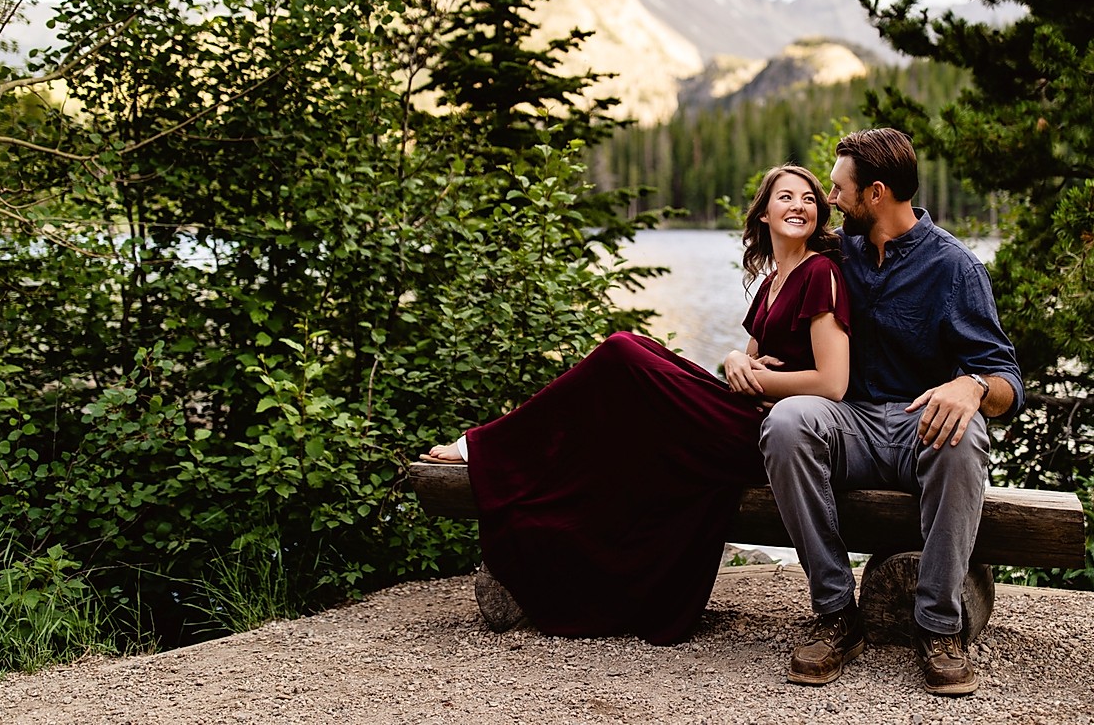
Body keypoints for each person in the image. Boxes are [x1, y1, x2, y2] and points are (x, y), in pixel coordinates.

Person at [421, 165, 851, 645]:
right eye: (786, 197)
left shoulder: (820, 272)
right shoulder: (774, 281)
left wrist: (764, 380)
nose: (799, 206)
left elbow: (833, 383)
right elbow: (745, 369)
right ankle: (498, 450)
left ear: (820, 213)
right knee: (632, 346)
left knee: (620, 353)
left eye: (810, 199)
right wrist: (733, 356)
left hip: (770, 437)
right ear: (765, 214)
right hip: (741, 413)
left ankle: (485, 446)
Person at [732, 129, 1024, 695]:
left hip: (923, 427)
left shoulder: (954, 267)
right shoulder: (841, 253)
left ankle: (940, 627)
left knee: (965, 437)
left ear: (876, 194)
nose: (830, 200)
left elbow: (1007, 380)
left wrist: (971, 387)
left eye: (839, 190)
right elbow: (778, 301)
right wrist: (736, 356)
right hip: (853, 424)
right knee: (788, 423)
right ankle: (837, 612)